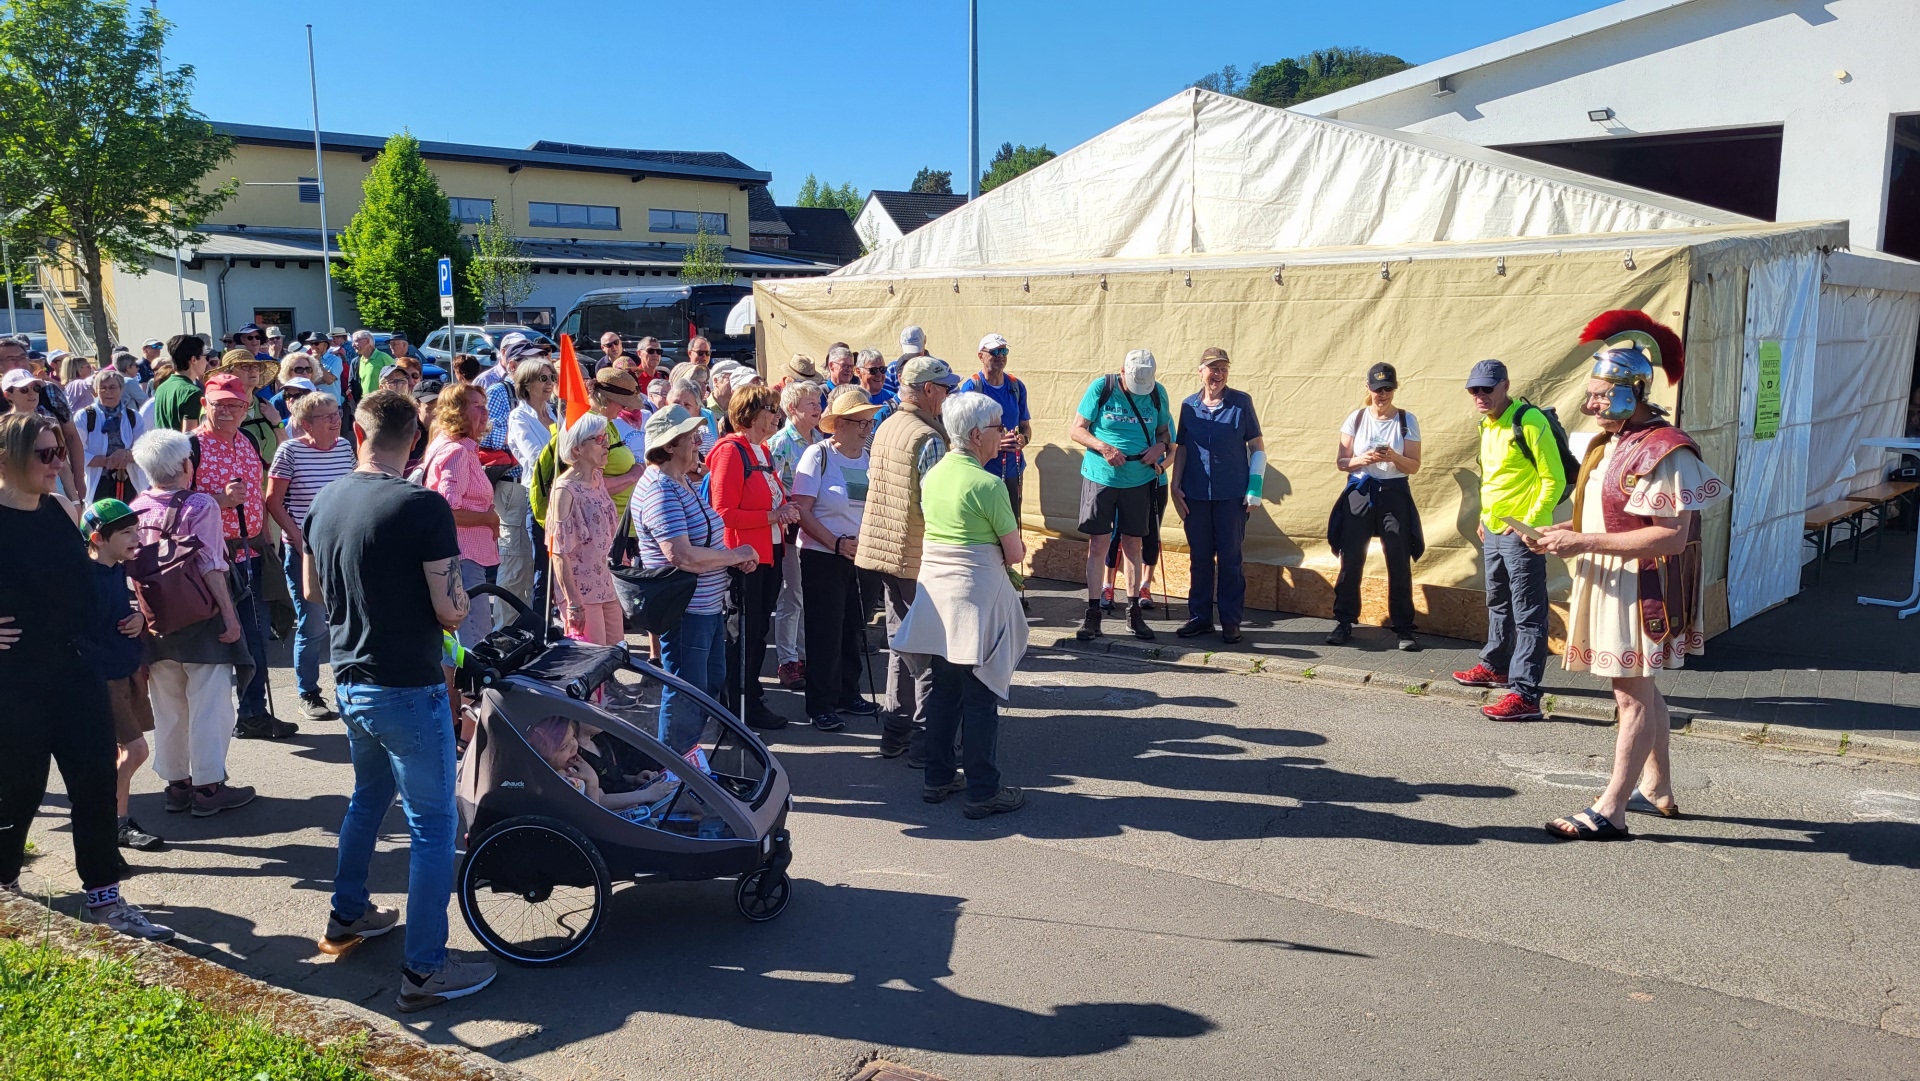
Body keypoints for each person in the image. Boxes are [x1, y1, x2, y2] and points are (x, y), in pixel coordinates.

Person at [303, 388, 497, 1012]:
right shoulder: (422, 506)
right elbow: (449, 607)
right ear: (414, 438)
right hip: (408, 685)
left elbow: (313, 588)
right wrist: (462, 603)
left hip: (351, 675)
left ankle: (348, 914)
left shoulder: (326, 498)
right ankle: (424, 969)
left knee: (368, 798)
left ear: (357, 433)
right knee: (434, 827)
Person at [1531, 312, 1727, 839]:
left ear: (1632, 391)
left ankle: (1611, 809)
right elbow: (1598, 514)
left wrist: (1583, 542)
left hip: (1642, 587)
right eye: (1591, 394)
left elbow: (1671, 535)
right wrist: (1551, 532)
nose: (1589, 403)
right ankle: (1657, 785)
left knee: (1631, 694)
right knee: (1639, 687)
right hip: (1609, 575)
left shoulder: (1666, 448)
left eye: (1600, 394)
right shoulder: (1608, 443)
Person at [0, 415, 173, 939]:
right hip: (17, 678)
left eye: (60, 452)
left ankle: (105, 898)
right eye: (45, 455)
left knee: (96, 784)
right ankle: (4, 884)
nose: (58, 464)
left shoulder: (59, 510)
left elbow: (93, 579)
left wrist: (134, 614)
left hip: (78, 669)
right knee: (19, 790)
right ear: (8, 458)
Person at [892, 391, 1028, 819]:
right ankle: (983, 790)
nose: (1003, 434)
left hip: (937, 595)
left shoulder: (934, 475)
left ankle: (938, 777)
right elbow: (1016, 552)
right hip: (975, 598)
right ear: (975, 434)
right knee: (981, 694)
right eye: (997, 427)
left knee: (945, 691)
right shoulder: (988, 484)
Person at [128, 428, 253, 818]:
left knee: (167, 703)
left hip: (155, 619)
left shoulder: (135, 505)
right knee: (210, 703)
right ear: (186, 464)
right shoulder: (200, 505)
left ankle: (177, 785)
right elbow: (212, 566)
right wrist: (231, 619)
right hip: (202, 618)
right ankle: (209, 787)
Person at [634, 405, 760, 752]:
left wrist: (733, 561)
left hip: (704, 605)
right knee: (688, 690)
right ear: (670, 445)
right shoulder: (661, 489)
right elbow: (683, 555)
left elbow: (702, 543)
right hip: (686, 609)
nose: (698, 441)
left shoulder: (681, 482)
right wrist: (735, 556)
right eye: (691, 436)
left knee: (708, 683)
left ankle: (687, 762)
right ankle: (673, 771)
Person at [1450, 358, 1568, 722]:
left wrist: (1529, 525)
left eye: (1487, 388)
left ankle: (1525, 694)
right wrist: (1486, 519)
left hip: (1522, 535)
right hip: (1496, 530)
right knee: (1499, 601)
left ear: (1505, 385)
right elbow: (1494, 479)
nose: (1480, 396)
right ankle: (1496, 666)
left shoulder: (1528, 422)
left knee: (1529, 613)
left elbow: (1555, 479)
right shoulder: (1487, 424)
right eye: (1474, 390)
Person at [854, 356, 957, 763]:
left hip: (884, 552)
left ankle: (895, 733)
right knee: (932, 651)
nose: (948, 395)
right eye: (944, 387)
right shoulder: (927, 437)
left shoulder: (887, 426)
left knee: (901, 644)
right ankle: (925, 743)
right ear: (928, 390)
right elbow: (936, 507)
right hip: (916, 557)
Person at [194, 370, 293, 740]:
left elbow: (258, 493)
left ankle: (253, 713)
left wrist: (266, 537)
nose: (229, 412)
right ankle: (222, 721)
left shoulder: (249, 439)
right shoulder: (192, 447)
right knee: (223, 639)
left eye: (236, 406)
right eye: (220, 405)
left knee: (256, 636)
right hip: (211, 560)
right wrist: (219, 501)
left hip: (253, 553)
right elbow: (174, 502)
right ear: (205, 404)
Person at [707, 384, 799, 729]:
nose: (778, 416)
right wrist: (773, 516)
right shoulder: (731, 452)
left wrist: (783, 509)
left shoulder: (762, 452)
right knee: (743, 633)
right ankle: (738, 706)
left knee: (757, 631)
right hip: (744, 558)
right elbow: (723, 512)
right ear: (752, 413)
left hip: (768, 554)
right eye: (772, 409)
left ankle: (749, 698)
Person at [76, 499, 165, 851]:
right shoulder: (83, 577)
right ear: (98, 538)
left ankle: (116, 822)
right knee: (136, 750)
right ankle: (104, 817)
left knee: (123, 752)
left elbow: (126, 612)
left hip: (126, 670)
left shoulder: (117, 569)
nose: (137, 538)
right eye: (127, 532)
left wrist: (140, 620)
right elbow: (75, 631)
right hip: (102, 679)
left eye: (137, 529)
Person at [792, 386, 881, 730]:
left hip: (864, 555)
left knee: (853, 628)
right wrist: (835, 543)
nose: (867, 428)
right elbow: (801, 509)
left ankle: (848, 692)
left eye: (869, 422)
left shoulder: (871, 456)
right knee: (825, 631)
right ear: (840, 424)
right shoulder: (818, 455)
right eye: (861, 422)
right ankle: (820, 703)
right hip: (824, 555)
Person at [1070, 348, 1173, 643]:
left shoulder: (1157, 393)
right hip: (1101, 477)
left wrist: (1160, 448)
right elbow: (1077, 430)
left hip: (1139, 479)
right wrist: (1104, 447)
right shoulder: (1102, 387)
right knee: (1099, 544)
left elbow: (1165, 433)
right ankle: (1092, 616)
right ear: (1122, 371)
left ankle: (1133, 613)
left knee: (1133, 544)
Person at [267, 391, 357, 721]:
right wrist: (299, 537)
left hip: (341, 551)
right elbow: (273, 501)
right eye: (327, 416)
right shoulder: (289, 451)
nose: (336, 420)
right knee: (314, 625)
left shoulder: (346, 448)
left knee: (347, 622)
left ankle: (348, 687)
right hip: (305, 554)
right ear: (306, 424)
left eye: (337, 413)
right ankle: (309, 692)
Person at [1327, 361, 1424, 650]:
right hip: (1360, 489)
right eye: (1377, 388)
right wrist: (1363, 460)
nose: (1382, 394)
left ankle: (1404, 627)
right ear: (1367, 388)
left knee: (1398, 555)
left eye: (1388, 388)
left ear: (1395, 389)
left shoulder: (1406, 420)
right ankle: (1344, 620)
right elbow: (1342, 462)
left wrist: (1393, 456)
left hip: (1393, 490)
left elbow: (1414, 465)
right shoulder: (1356, 418)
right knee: (1352, 556)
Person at [1170, 348, 1265, 644]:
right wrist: (1175, 486)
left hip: (1231, 496)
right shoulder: (1188, 406)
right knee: (1199, 559)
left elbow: (1258, 448)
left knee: (1230, 559)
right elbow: (1182, 448)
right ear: (1200, 371)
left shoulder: (1241, 403)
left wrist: (1255, 487)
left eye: (1223, 368)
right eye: (1213, 368)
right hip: (1195, 494)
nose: (1218, 374)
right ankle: (1199, 618)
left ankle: (1231, 621)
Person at [420, 383, 501, 648]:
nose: (485, 412)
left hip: (458, 557)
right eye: (476, 406)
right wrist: (489, 518)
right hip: (462, 558)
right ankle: (474, 690)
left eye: (484, 404)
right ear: (457, 412)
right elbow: (448, 510)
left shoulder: (451, 445)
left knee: (454, 643)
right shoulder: (456, 451)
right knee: (475, 638)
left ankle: (459, 690)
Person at [767, 379, 824, 691]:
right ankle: (788, 660)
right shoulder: (780, 444)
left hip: (815, 527)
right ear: (791, 409)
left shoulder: (819, 441)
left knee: (807, 593)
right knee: (792, 595)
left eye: (818, 402)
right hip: (789, 529)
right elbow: (770, 488)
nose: (818, 408)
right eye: (811, 404)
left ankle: (805, 653)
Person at [479, 335, 542, 615]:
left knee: (530, 564)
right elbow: (491, 438)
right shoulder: (499, 392)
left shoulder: (535, 398)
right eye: (531, 362)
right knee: (515, 562)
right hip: (513, 487)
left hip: (532, 487)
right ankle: (504, 631)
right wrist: (527, 437)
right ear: (513, 365)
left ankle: (524, 629)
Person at [548, 413, 623, 647]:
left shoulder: (597, 477)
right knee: (593, 663)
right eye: (598, 439)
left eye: (606, 438)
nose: (606, 444)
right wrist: (573, 603)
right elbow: (559, 552)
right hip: (582, 593)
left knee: (616, 655)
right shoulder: (564, 491)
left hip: (608, 584)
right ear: (577, 448)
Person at [957, 332, 1032, 526]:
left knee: (1010, 521)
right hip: (983, 469)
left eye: (1004, 351)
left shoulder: (1016, 386)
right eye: (995, 351)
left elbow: (1025, 426)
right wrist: (996, 444)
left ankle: (1011, 556)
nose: (1000, 355)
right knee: (984, 523)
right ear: (980, 356)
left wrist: (1024, 440)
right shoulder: (972, 387)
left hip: (1013, 469)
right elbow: (962, 435)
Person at [0, 334, 86, 495]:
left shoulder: (49, 390)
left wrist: (78, 483)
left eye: (22, 357)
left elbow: (71, 437)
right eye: (11, 358)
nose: (20, 362)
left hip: (53, 481)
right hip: (12, 490)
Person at [506, 358, 558, 617]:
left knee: (561, 563)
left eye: (552, 378)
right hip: (537, 496)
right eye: (543, 378)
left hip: (563, 493)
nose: (550, 384)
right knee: (543, 565)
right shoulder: (519, 416)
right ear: (526, 383)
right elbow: (535, 456)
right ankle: (541, 625)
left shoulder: (555, 414)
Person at [78, 366, 149, 505]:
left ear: (121, 390)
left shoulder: (133, 417)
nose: (107, 392)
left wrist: (126, 454)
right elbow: (77, 453)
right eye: (102, 388)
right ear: (96, 391)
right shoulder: (85, 416)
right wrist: (108, 461)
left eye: (112, 387)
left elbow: (143, 450)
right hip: (97, 483)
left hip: (130, 482)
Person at [586, 368, 644, 523]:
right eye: (622, 404)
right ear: (608, 400)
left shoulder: (607, 423)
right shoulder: (594, 427)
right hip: (610, 523)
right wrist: (633, 475)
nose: (623, 410)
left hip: (622, 520)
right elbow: (592, 485)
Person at [151, 334, 209, 433]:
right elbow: (189, 437)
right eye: (205, 357)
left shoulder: (162, 387)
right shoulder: (192, 392)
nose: (207, 362)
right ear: (193, 360)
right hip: (181, 448)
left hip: (163, 447)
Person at [352, 330, 396, 400]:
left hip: (382, 402)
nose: (353, 345)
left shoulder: (383, 357)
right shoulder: (360, 360)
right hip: (367, 403)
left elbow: (395, 380)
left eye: (356, 341)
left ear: (367, 341)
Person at [885, 325, 928, 397]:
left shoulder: (941, 367)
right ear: (900, 344)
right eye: (909, 352)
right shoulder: (892, 369)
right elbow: (887, 397)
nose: (913, 356)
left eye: (916, 351)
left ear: (925, 341)